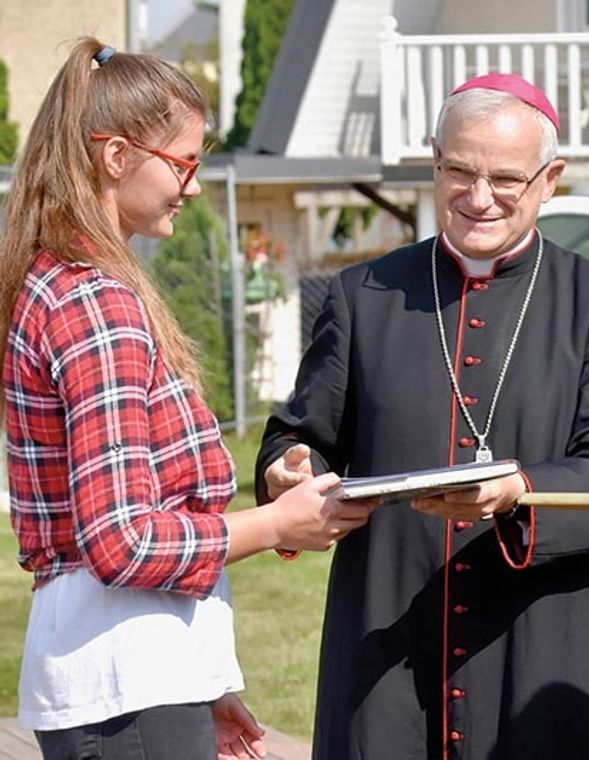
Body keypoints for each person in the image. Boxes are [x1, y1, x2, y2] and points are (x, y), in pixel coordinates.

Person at [255, 72, 589, 759]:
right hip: (386, 647)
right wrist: (290, 469)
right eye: (458, 171)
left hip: (542, 650)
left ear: (549, 179)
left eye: (505, 179)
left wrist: (517, 492)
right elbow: (300, 437)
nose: (478, 197)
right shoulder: (363, 295)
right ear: (434, 161)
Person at [1, 38, 374, 760]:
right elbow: (123, 539)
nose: (195, 186)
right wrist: (276, 524)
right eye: (183, 163)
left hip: (131, 678)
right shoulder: (94, 302)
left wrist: (198, 682)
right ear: (115, 157)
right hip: (122, 683)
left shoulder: (66, 280)